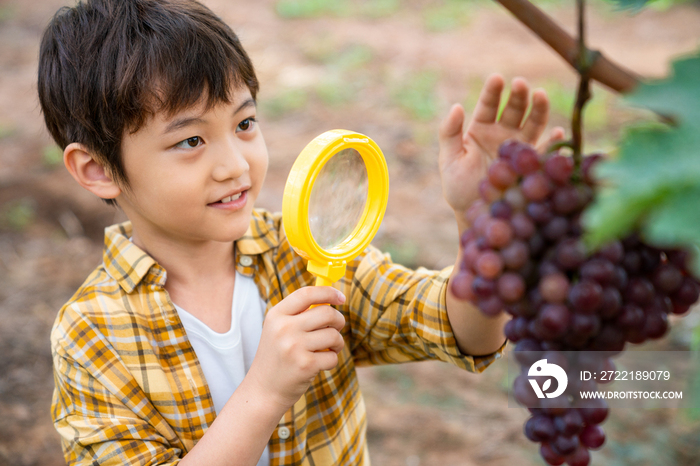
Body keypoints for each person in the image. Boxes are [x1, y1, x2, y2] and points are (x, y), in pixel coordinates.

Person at [39, 0, 560, 465]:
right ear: (98, 170)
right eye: (191, 139)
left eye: (244, 124)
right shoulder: (93, 338)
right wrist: (265, 392)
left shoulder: (301, 252)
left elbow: (462, 330)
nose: (235, 165)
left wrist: (484, 231)